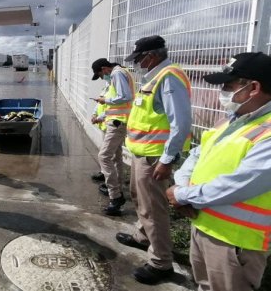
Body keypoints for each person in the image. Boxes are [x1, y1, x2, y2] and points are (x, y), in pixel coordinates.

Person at [166, 52, 271, 291]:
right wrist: (180, 185)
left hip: (235, 242)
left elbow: (242, 183)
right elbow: (197, 155)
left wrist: (182, 195)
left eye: (228, 85)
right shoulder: (231, 120)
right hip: (202, 224)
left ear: (253, 87)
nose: (222, 91)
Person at [116, 35, 192, 284]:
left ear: (153, 55)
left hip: (154, 157)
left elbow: (180, 124)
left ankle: (161, 262)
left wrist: (167, 159)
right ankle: (143, 236)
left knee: (153, 209)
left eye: (139, 58)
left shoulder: (168, 77)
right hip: (142, 154)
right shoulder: (155, 78)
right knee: (140, 200)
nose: (138, 63)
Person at [90, 58, 135, 216]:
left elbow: (125, 97)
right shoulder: (121, 73)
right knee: (115, 157)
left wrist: (104, 100)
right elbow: (117, 105)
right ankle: (117, 188)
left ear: (105, 68)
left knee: (104, 157)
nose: (103, 78)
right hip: (117, 120)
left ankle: (115, 196)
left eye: (101, 75)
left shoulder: (116, 74)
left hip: (117, 123)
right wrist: (101, 116)